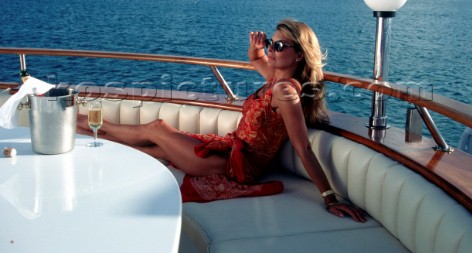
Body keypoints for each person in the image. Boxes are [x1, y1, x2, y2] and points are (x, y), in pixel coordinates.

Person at [77, 19, 366, 223]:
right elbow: (255, 58)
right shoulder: (275, 78)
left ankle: (84, 123)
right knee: (155, 150)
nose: (272, 50)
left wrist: (330, 196)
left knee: (158, 129)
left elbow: (303, 148)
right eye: (272, 43)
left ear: (299, 55)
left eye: (280, 46)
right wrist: (257, 45)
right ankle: (91, 137)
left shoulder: (284, 90)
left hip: (236, 167)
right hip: (229, 149)